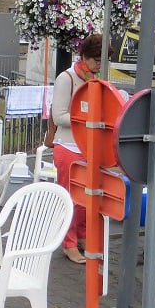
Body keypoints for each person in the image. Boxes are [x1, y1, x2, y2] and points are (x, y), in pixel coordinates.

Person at [51, 34, 101, 264]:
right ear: (85, 57)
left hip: (88, 147)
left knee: (86, 199)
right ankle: (68, 243)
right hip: (68, 145)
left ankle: (82, 236)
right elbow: (59, 116)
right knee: (70, 198)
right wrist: (87, 118)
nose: (99, 65)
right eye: (96, 60)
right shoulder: (67, 78)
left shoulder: (94, 78)